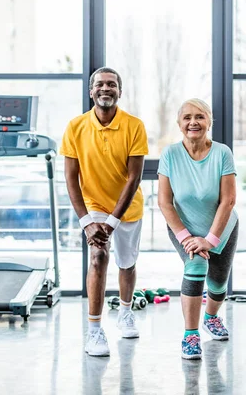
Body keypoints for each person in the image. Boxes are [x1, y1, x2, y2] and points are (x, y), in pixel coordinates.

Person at [60, 67, 148, 357]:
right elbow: (71, 178)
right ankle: (95, 331)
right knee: (98, 257)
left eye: (112, 84)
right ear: (91, 91)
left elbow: (133, 179)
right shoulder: (75, 127)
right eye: (100, 84)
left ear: (120, 91)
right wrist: (87, 223)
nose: (105, 88)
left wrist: (112, 222)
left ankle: (125, 311)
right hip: (94, 205)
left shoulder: (134, 126)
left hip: (127, 208)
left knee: (127, 264)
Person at [158, 98, 238, 360]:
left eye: (200, 117)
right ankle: (190, 335)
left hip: (221, 225)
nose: (194, 122)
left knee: (218, 282)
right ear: (180, 124)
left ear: (209, 122)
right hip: (184, 225)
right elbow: (164, 202)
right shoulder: (170, 154)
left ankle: (211, 317)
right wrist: (187, 237)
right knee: (195, 266)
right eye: (187, 117)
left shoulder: (222, 153)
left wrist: (210, 240)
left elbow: (228, 200)